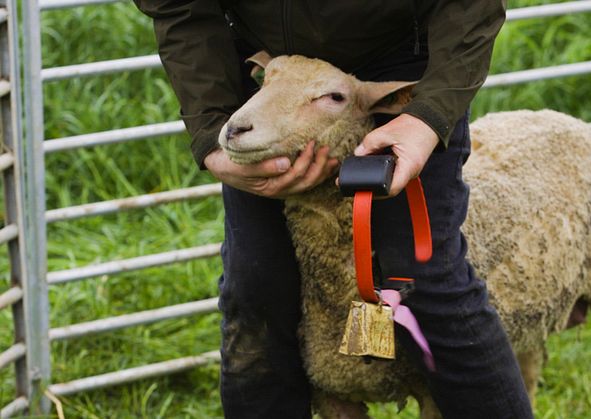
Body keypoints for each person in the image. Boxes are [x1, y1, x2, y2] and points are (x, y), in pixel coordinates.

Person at [135, 1, 533, 417]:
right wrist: (210, 127)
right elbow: (179, 6)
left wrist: (428, 115)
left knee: (426, 283)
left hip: (401, 69)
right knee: (256, 286)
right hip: (273, 78)